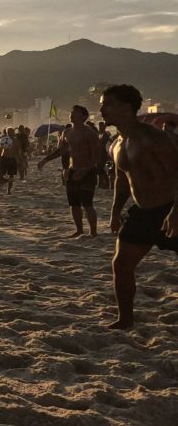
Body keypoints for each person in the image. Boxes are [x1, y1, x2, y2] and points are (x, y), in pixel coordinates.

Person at [99, 85, 178, 329]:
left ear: (127, 107)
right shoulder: (117, 144)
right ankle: (125, 319)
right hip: (142, 212)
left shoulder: (153, 138)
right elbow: (122, 181)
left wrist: (176, 212)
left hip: (171, 207)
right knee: (121, 265)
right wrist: (115, 211)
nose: (102, 109)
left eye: (108, 103)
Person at [38, 106, 101, 238]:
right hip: (73, 170)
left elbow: (96, 155)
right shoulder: (67, 133)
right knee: (73, 203)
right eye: (71, 112)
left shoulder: (90, 133)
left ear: (84, 116)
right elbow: (61, 151)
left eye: (74, 113)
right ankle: (79, 230)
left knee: (87, 203)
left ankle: (93, 232)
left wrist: (85, 170)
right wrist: (45, 160)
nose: (71, 115)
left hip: (88, 172)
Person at [0, 128, 20, 196]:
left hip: (12, 159)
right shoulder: (3, 140)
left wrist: (19, 159)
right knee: (1, 175)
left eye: (12, 132)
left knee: (11, 176)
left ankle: (9, 191)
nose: (11, 133)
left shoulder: (16, 140)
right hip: (4, 159)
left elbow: (18, 151)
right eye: (9, 132)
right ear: (7, 133)